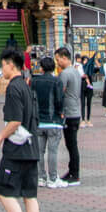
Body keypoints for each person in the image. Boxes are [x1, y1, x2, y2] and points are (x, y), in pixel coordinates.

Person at [0, 48, 43, 212]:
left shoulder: (13, 88)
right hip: (32, 148)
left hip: (16, 151)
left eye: (3, 65)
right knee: (30, 195)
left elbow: (15, 121)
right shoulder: (27, 86)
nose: (1, 69)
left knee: (3, 191)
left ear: (11, 65)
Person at [32, 55, 66, 189]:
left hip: (38, 121)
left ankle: (41, 177)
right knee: (53, 151)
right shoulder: (57, 81)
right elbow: (59, 100)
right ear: (53, 68)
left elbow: (32, 99)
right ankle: (53, 178)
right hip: (53, 121)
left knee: (40, 151)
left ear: (41, 68)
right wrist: (61, 113)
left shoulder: (34, 81)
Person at [55, 46, 81, 185]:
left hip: (69, 113)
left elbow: (60, 92)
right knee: (72, 145)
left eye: (58, 59)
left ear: (64, 58)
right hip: (76, 111)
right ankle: (72, 171)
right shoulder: (76, 72)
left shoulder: (64, 74)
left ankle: (75, 174)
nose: (57, 63)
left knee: (71, 145)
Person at [81, 53, 97, 126]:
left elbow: (98, 69)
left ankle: (88, 119)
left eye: (87, 60)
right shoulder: (80, 68)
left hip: (89, 86)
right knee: (83, 103)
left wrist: (95, 61)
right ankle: (83, 120)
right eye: (84, 60)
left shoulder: (90, 68)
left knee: (89, 103)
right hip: (82, 86)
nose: (86, 62)